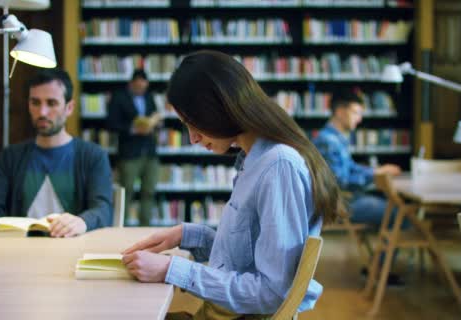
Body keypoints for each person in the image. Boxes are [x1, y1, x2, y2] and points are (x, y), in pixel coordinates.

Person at [120, 50, 345, 319]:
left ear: (219, 108)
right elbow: (245, 258)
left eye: (194, 124)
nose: (192, 138)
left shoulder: (277, 166)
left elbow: (272, 293)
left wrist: (172, 270)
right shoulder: (254, 159)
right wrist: (187, 235)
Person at [0, 69, 113, 237]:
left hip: (72, 250)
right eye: (35, 102)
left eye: (51, 103)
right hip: (19, 252)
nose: (42, 112)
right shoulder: (11, 156)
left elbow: (103, 209)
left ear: (69, 107)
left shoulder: (93, 156)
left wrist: (82, 221)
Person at [313, 90, 406, 285]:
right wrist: (376, 174)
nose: (360, 118)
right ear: (339, 111)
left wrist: (376, 170)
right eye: (356, 112)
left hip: (346, 199)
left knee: (394, 210)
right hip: (342, 203)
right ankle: (379, 270)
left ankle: (377, 267)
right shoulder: (328, 141)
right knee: (398, 214)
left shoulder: (335, 138)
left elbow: (350, 168)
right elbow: (342, 180)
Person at [107, 69, 161, 226]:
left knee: (149, 192)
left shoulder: (149, 97)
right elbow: (111, 123)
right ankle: (120, 227)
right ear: (131, 84)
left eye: (144, 87)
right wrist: (132, 128)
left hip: (150, 152)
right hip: (129, 153)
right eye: (138, 87)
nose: (141, 90)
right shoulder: (119, 98)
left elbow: (154, 115)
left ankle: (145, 227)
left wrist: (155, 123)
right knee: (126, 193)